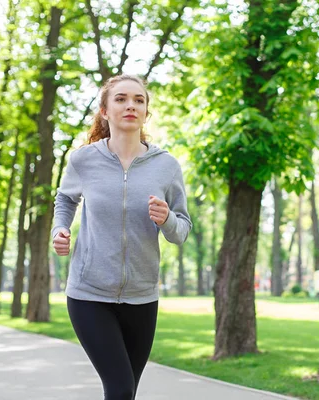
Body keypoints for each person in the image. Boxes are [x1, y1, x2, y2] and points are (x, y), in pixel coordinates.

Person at [51, 74, 192, 400]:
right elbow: (65, 200)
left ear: (146, 112)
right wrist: (60, 229)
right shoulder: (84, 160)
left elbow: (182, 230)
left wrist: (167, 219)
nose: (131, 105)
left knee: (124, 392)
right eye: (121, 99)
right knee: (120, 388)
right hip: (89, 294)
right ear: (105, 110)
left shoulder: (166, 166)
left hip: (142, 297)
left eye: (139, 100)